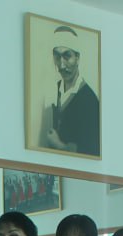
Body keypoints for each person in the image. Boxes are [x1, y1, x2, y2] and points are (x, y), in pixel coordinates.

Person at [38, 25, 100, 156]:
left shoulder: (90, 101)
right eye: (57, 56)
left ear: (77, 58)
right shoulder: (54, 90)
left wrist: (59, 145)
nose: (61, 65)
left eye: (67, 56)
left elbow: (93, 153)